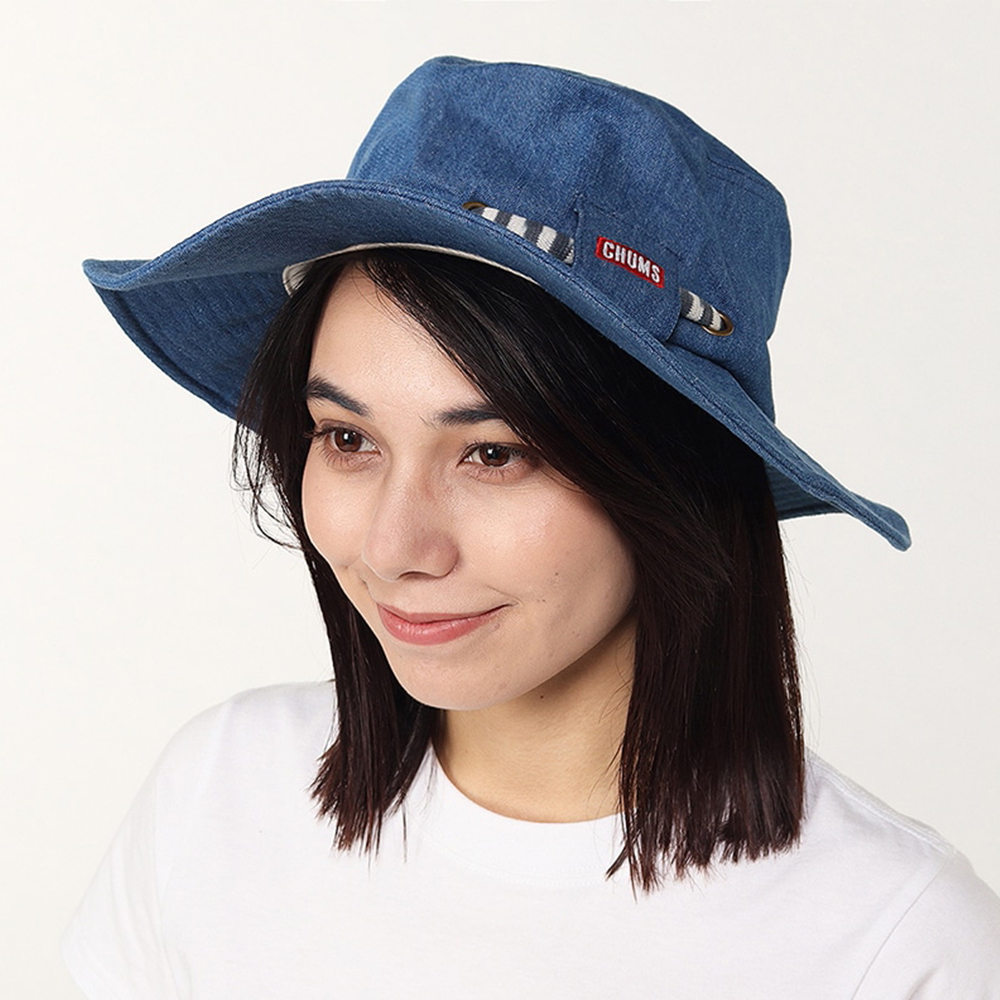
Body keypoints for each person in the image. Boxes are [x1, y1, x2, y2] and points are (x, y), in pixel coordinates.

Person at [63, 57, 1000, 998]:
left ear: (673, 478)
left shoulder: (894, 940)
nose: (393, 548)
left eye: (494, 453)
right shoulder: (217, 799)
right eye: (348, 438)